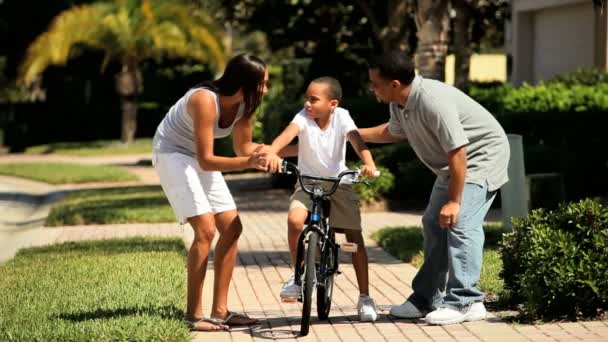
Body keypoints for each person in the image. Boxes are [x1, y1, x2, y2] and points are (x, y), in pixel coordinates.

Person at [360, 51, 510, 325]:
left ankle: (466, 301)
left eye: (375, 83)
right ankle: (426, 298)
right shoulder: (399, 103)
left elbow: (458, 150)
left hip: (481, 157)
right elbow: (394, 132)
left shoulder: (431, 100)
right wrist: (352, 134)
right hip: (454, 164)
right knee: (433, 221)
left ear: (394, 84)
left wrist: (454, 201)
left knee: (461, 222)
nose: (372, 89)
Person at [152, 53, 270, 331]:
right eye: (262, 83)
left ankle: (221, 311)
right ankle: (193, 316)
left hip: (197, 157)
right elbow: (207, 159)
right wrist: (249, 163)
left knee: (231, 227)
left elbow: (244, 148)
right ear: (244, 84)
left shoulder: (247, 105)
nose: (266, 89)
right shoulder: (204, 100)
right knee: (205, 229)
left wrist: (269, 151)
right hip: (172, 154)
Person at [265, 77, 380, 322]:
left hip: (338, 182)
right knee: (295, 221)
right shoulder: (302, 117)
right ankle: (298, 277)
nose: (307, 103)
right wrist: (273, 152)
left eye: (313, 99)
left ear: (332, 104)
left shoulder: (343, 117)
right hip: (307, 182)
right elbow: (286, 137)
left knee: (354, 236)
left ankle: (365, 297)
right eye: (306, 98)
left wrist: (368, 163)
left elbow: (357, 140)